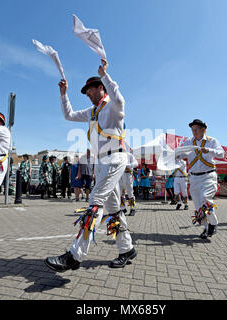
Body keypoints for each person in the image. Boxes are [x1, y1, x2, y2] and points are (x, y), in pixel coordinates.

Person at [45, 59, 136, 272]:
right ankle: (127, 249)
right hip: (102, 161)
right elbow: (68, 115)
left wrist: (106, 75)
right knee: (112, 209)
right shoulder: (91, 112)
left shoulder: (112, 106)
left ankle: (75, 256)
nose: (87, 93)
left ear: (100, 88)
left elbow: (120, 99)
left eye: (89, 90)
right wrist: (63, 94)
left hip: (115, 158)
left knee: (95, 202)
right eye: (85, 91)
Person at [178, 119, 225, 239]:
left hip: (208, 175)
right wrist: (176, 154)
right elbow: (181, 154)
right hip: (194, 177)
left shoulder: (212, 141)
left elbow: (221, 154)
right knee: (199, 205)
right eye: (192, 129)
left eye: (196, 129)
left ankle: (213, 223)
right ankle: (205, 228)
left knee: (206, 198)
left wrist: (208, 150)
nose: (194, 131)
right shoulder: (188, 142)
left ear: (204, 129)